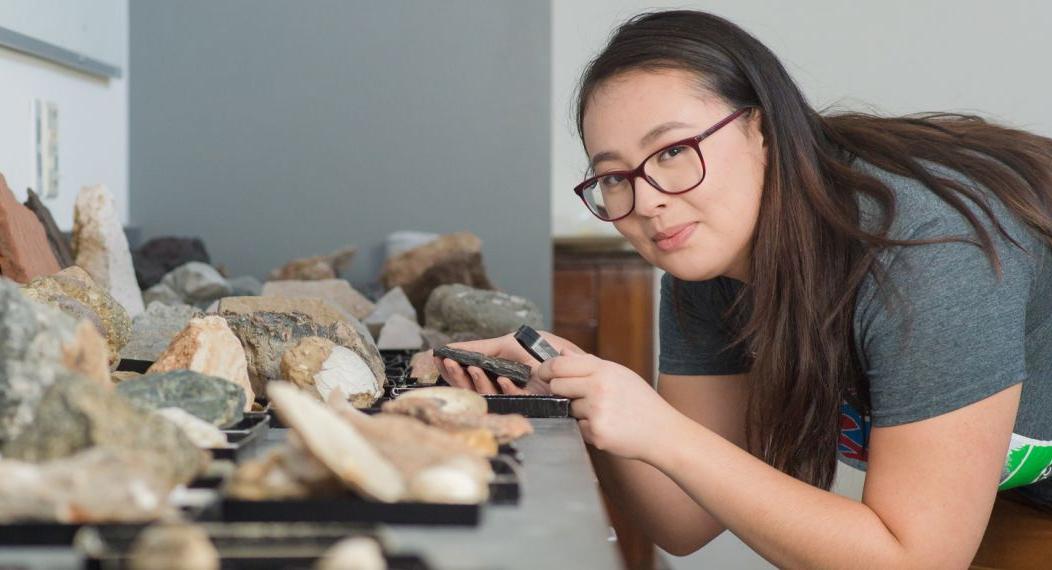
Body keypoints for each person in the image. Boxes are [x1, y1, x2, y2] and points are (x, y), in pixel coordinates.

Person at [437, 10, 1052, 569]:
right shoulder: (710, 268)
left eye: (674, 150)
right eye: (613, 177)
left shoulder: (925, 253)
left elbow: (912, 561)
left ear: (762, 129)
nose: (647, 201)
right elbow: (681, 519)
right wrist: (570, 386)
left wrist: (663, 430)